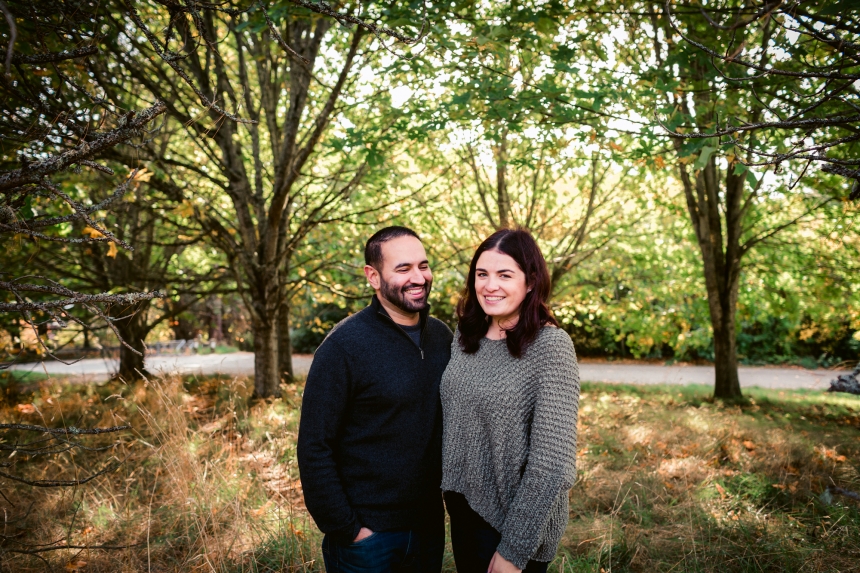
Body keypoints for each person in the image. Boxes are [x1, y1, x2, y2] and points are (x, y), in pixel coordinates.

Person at [297, 226, 453, 573]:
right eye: (403, 268)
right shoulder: (344, 346)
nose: (419, 277)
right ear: (373, 276)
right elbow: (314, 446)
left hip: (429, 527)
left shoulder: (442, 337)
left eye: (423, 266)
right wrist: (349, 529)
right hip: (368, 540)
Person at [440, 228, 580, 573]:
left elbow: (553, 465)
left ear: (530, 282)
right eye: (482, 274)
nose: (490, 285)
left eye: (505, 275)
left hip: (514, 523)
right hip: (462, 508)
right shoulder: (464, 334)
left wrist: (513, 552)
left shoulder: (551, 347)